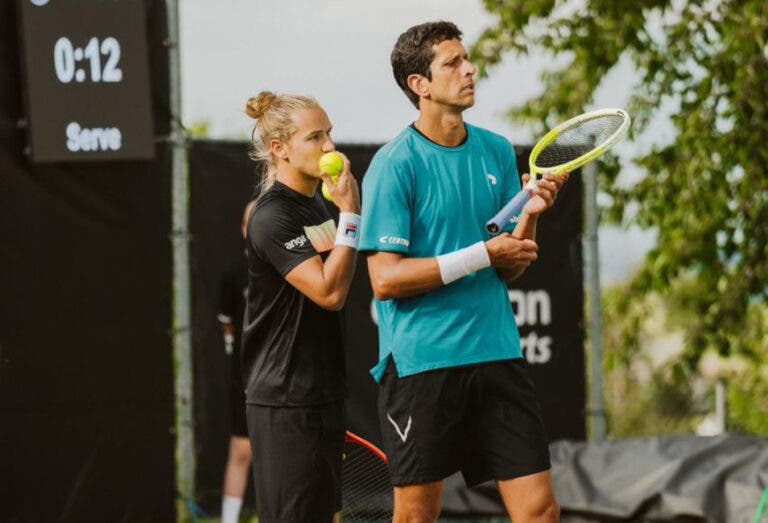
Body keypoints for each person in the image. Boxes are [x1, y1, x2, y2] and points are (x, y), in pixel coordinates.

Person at [358, 21, 569, 523]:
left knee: (540, 510)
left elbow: (510, 263)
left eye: (467, 58)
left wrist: (533, 211)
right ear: (420, 85)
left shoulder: (496, 150)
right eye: (452, 62)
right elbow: (385, 280)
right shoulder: (393, 164)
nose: (470, 68)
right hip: (421, 366)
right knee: (415, 517)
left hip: (497, 356)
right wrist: (483, 255)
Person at [240, 91, 360, 523]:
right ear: (280, 149)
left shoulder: (314, 204)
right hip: (286, 401)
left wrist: (345, 213)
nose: (330, 146)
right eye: (315, 137)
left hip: (322, 393)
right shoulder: (272, 217)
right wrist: (351, 214)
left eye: (329, 134)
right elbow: (330, 292)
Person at [217, 200, 255, 523]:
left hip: (287, 379)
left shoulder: (294, 266)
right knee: (242, 451)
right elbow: (227, 322)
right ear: (244, 230)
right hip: (245, 379)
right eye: (252, 223)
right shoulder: (233, 275)